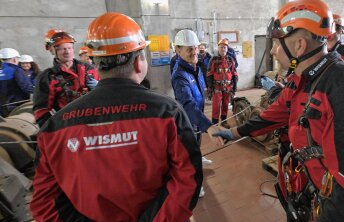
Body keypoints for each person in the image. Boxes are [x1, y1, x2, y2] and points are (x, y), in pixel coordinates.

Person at [210, 0, 344, 221]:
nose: (273, 51)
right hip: (321, 191)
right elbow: (273, 116)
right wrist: (233, 133)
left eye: (277, 43)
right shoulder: (303, 81)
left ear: (299, 46)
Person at [30, 12, 203, 222]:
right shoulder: (167, 113)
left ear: (95, 63)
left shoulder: (53, 129)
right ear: (139, 62)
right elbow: (188, 180)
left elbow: (44, 203)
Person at [171, 30, 217, 176]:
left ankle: (198, 157)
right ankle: (194, 180)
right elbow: (187, 104)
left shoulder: (194, 67)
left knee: (197, 141)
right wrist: (208, 126)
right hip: (188, 119)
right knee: (188, 150)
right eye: (189, 49)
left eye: (196, 47)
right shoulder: (180, 75)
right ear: (178, 49)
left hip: (197, 115)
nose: (195, 52)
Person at [33, 30, 99, 127]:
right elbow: (41, 110)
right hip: (68, 125)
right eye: (62, 49)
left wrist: (100, 87)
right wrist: (52, 130)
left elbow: (105, 97)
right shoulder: (47, 77)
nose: (67, 52)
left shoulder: (89, 69)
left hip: (93, 122)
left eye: (69, 48)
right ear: (54, 51)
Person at [206, 39, 238, 127]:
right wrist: (210, 87)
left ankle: (224, 121)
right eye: (221, 47)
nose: (223, 49)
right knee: (216, 105)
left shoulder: (230, 60)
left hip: (228, 87)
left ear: (227, 49)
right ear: (218, 49)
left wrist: (235, 86)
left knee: (225, 104)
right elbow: (209, 74)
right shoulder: (213, 59)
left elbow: (234, 73)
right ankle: (215, 123)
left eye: (224, 47)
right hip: (217, 87)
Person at [0, 48, 34, 117]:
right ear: (14, 59)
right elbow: (27, 88)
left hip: (2, 107)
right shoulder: (16, 70)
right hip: (16, 106)